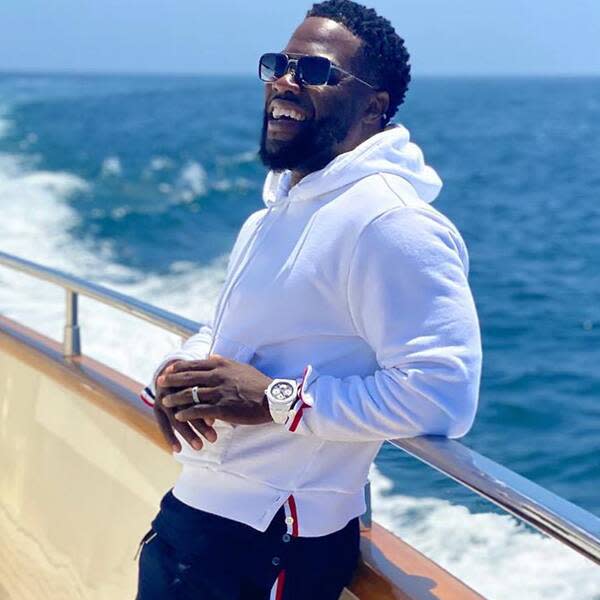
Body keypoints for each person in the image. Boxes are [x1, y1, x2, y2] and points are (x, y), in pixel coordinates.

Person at [136, 1, 482, 598]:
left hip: (274, 542)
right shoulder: (275, 212)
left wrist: (276, 400)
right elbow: (230, 332)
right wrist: (180, 374)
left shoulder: (390, 222)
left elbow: (440, 394)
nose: (286, 81)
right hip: (192, 520)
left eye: (316, 71)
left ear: (373, 106)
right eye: (279, 65)